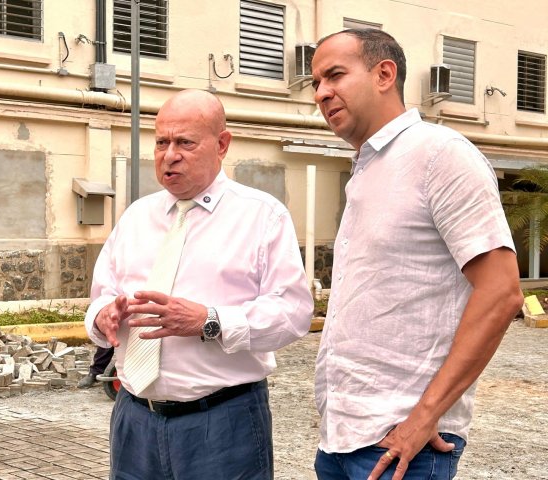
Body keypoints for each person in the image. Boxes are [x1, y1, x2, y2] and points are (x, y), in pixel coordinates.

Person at [311, 29, 524, 480]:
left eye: (334, 75)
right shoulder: (368, 168)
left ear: (384, 74)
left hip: (404, 447)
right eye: (316, 82)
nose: (320, 93)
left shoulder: (439, 155)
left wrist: (424, 417)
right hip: (341, 440)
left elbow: (501, 293)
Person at [84, 89, 313, 479]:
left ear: (222, 144)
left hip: (223, 423)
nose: (169, 155)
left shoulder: (262, 216)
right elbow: (100, 297)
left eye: (185, 143)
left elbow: (293, 313)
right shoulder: (137, 217)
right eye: (161, 142)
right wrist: (104, 315)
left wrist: (210, 321)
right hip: (134, 420)